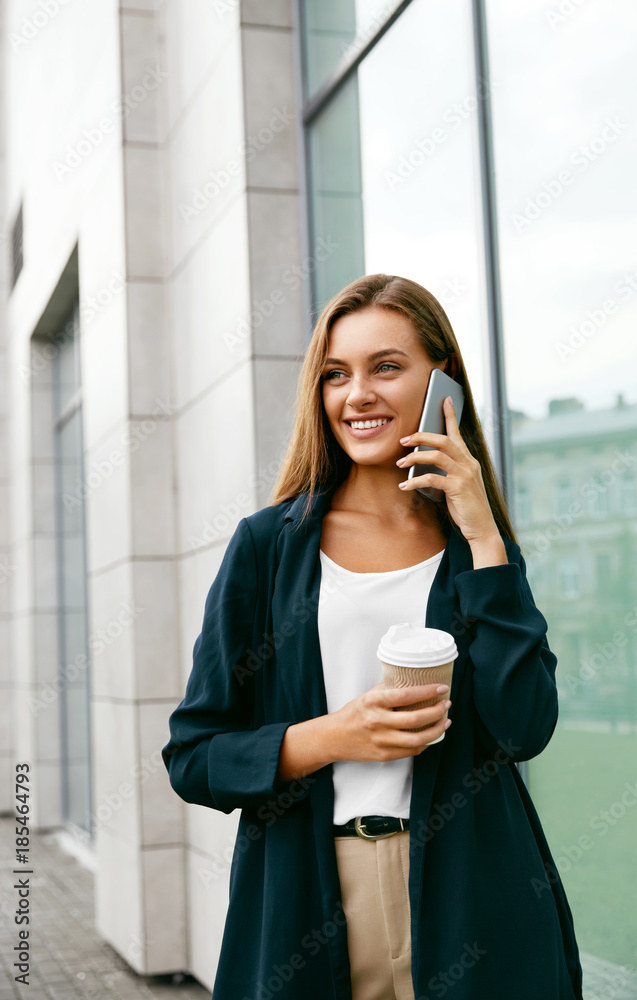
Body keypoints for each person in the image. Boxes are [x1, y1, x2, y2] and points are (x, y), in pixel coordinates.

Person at [162, 273, 584, 1000]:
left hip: (471, 898)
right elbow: (195, 755)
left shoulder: (475, 548)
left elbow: (524, 728)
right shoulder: (267, 547)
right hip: (307, 900)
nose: (355, 394)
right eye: (335, 374)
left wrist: (483, 531)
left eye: (385, 367)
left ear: (440, 382)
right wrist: (335, 735)